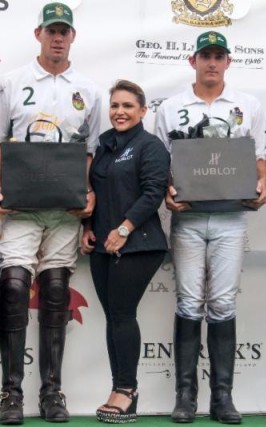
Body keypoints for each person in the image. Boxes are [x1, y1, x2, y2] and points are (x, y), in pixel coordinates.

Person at [0, 2, 101, 424]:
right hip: (22, 207)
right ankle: (11, 393)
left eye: (64, 31)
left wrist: (87, 194)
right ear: (38, 34)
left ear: (72, 37)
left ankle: (52, 392)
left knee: (56, 292)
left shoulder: (88, 90)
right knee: (14, 287)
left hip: (64, 210)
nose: (58, 37)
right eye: (51, 30)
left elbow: (90, 152)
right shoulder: (12, 81)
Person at [154, 31, 266, 424]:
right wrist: (168, 192)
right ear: (193, 61)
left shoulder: (248, 105)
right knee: (188, 302)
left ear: (228, 62)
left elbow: (259, 157)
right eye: (206, 56)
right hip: (186, 217)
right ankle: (185, 397)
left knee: (222, 303)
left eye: (219, 56)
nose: (212, 63)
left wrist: (262, 184)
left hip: (230, 218)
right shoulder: (170, 108)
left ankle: (222, 398)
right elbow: (160, 163)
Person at [80, 80, 170, 424]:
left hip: (139, 245)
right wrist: (87, 228)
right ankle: (119, 388)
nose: (120, 112)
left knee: (122, 313)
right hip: (103, 245)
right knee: (113, 317)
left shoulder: (151, 146)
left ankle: (127, 391)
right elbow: (94, 194)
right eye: (115, 106)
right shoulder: (104, 146)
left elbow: (152, 194)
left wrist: (123, 229)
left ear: (143, 111)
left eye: (128, 106)